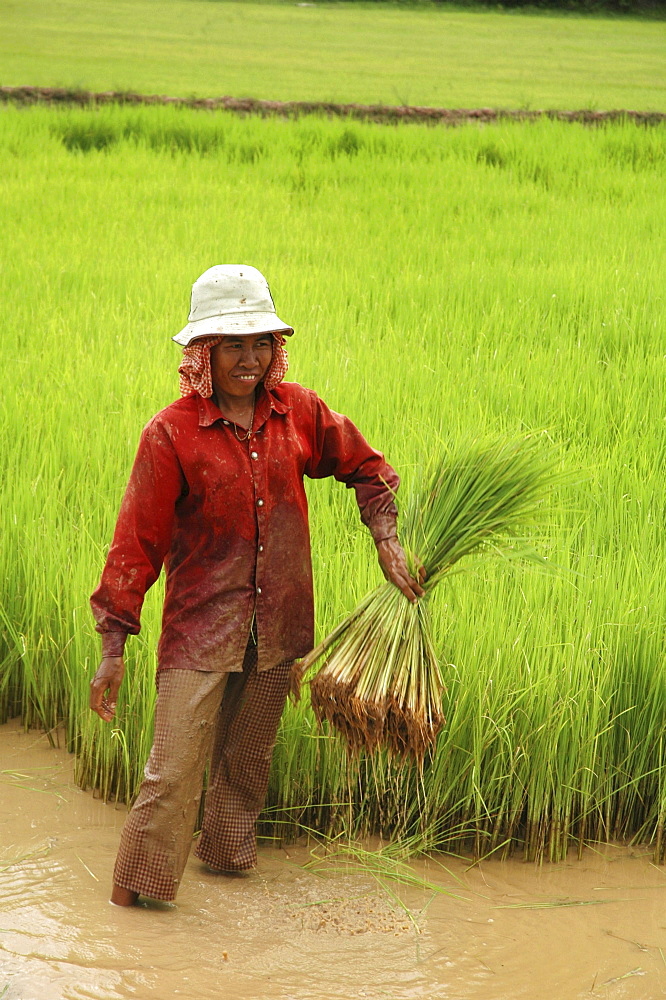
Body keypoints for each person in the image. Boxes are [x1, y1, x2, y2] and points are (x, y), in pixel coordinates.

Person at [89, 265, 424, 907]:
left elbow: (368, 467)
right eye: (232, 345)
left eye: (260, 342)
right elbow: (137, 543)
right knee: (173, 773)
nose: (249, 359)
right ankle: (136, 905)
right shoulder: (171, 434)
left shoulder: (297, 412)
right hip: (200, 631)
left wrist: (386, 540)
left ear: (276, 347)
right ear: (202, 353)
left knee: (244, 766)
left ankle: (225, 872)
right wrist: (113, 643)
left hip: (279, 628)